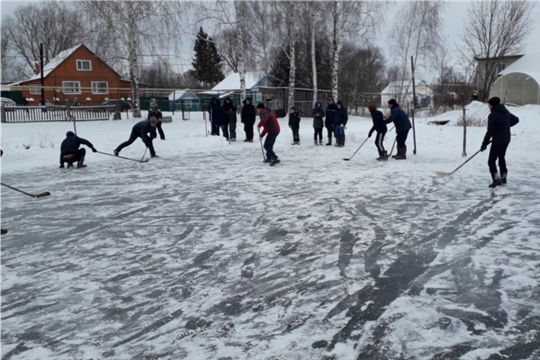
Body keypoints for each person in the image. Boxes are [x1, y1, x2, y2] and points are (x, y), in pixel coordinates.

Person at [480, 96, 519, 188]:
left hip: (498, 140)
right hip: (506, 139)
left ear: (492, 105)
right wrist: (504, 127)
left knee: (491, 161)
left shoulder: (492, 115)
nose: (488, 107)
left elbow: (490, 132)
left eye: (489, 105)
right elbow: (516, 120)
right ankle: (503, 177)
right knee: (501, 157)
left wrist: (484, 144)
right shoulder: (505, 111)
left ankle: (496, 179)